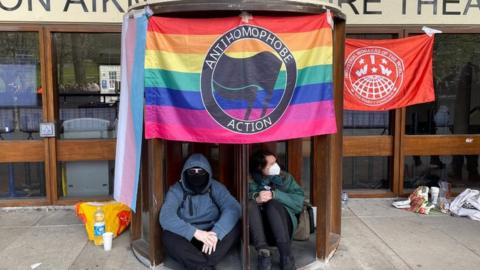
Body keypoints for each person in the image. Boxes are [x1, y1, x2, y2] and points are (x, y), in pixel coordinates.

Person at [160, 153, 241, 270]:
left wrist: (217, 232)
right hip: (189, 236)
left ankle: (198, 264)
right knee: (167, 236)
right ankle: (205, 265)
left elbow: (234, 208)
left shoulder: (215, 187)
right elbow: (166, 217)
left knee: (236, 226)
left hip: (212, 237)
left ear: (208, 173)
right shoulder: (176, 190)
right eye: (192, 172)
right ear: (185, 173)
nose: (196, 175)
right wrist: (195, 233)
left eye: (201, 172)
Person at [248, 150, 305, 270]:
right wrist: (256, 197)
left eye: (276, 162)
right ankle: (264, 254)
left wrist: (276, 195)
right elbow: (239, 200)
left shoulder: (285, 178)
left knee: (272, 204)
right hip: (261, 233)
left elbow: (298, 203)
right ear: (260, 167)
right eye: (271, 164)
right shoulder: (250, 181)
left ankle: (286, 256)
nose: (276, 166)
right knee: (250, 205)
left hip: (284, 228)